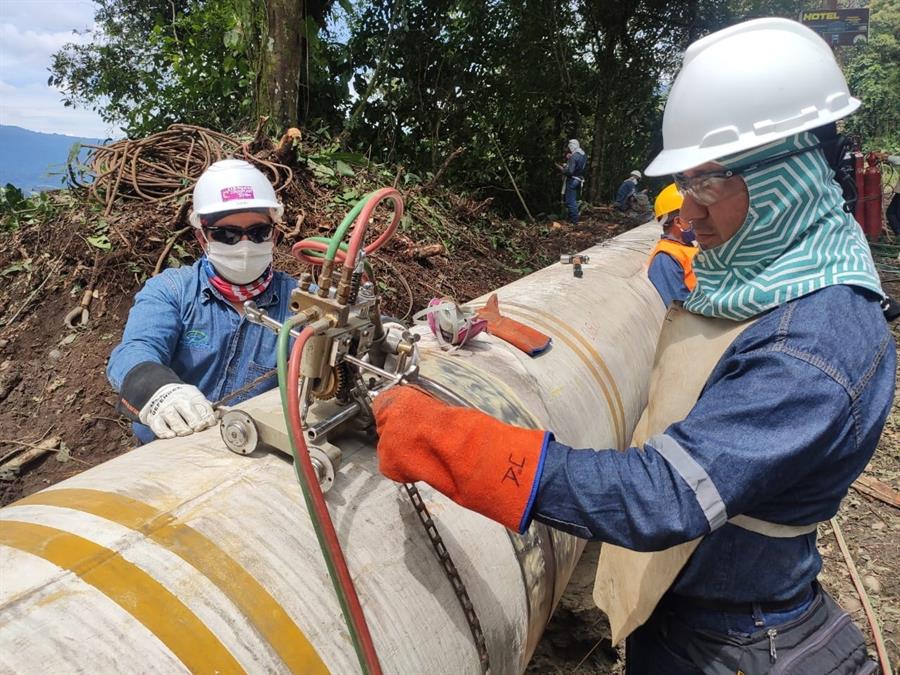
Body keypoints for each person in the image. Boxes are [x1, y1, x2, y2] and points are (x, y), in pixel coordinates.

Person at [372, 18, 892, 674]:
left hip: (734, 642)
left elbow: (665, 495)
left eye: (706, 183)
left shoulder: (817, 340)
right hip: (683, 613)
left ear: (782, 176)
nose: (687, 211)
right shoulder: (771, 271)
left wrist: (463, 446)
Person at [107, 159, 297, 443]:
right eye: (227, 234)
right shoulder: (172, 290)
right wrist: (158, 390)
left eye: (258, 232)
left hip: (253, 454)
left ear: (275, 234)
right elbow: (134, 350)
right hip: (168, 447)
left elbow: (341, 331)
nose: (245, 246)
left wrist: (383, 334)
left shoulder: (300, 303)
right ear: (202, 238)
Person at [647, 183, 698, 307]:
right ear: (679, 222)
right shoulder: (666, 258)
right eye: (695, 214)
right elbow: (679, 311)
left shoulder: (687, 247)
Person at [559, 139, 587, 225]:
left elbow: (570, 171)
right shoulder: (583, 154)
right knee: (574, 200)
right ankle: (574, 219)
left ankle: (574, 221)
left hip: (572, 180)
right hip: (579, 179)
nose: (569, 148)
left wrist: (563, 169)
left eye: (570, 146)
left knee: (570, 201)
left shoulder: (574, 156)